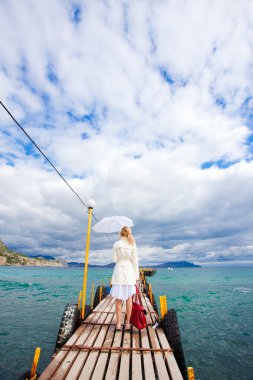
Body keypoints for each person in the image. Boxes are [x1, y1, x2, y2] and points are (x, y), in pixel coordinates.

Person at [110, 226, 139, 331]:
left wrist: (116, 250)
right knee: (129, 299)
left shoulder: (116, 244)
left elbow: (114, 259)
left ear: (121, 234)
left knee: (118, 299)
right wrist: (136, 276)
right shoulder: (133, 244)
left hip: (119, 272)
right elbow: (135, 262)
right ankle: (127, 324)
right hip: (129, 272)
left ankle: (118, 323)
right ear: (128, 233)